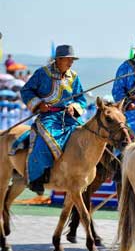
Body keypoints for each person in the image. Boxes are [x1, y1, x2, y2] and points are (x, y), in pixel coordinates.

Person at [20, 45, 87, 194]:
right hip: (49, 116)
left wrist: (74, 107)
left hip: (68, 117)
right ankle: (37, 178)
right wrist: (39, 104)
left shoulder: (74, 77)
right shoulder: (42, 73)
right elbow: (26, 91)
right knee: (44, 140)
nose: (71, 63)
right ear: (58, 59)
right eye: (68, 60)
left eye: (72, 60)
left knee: (88, 134)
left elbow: (81, 98)